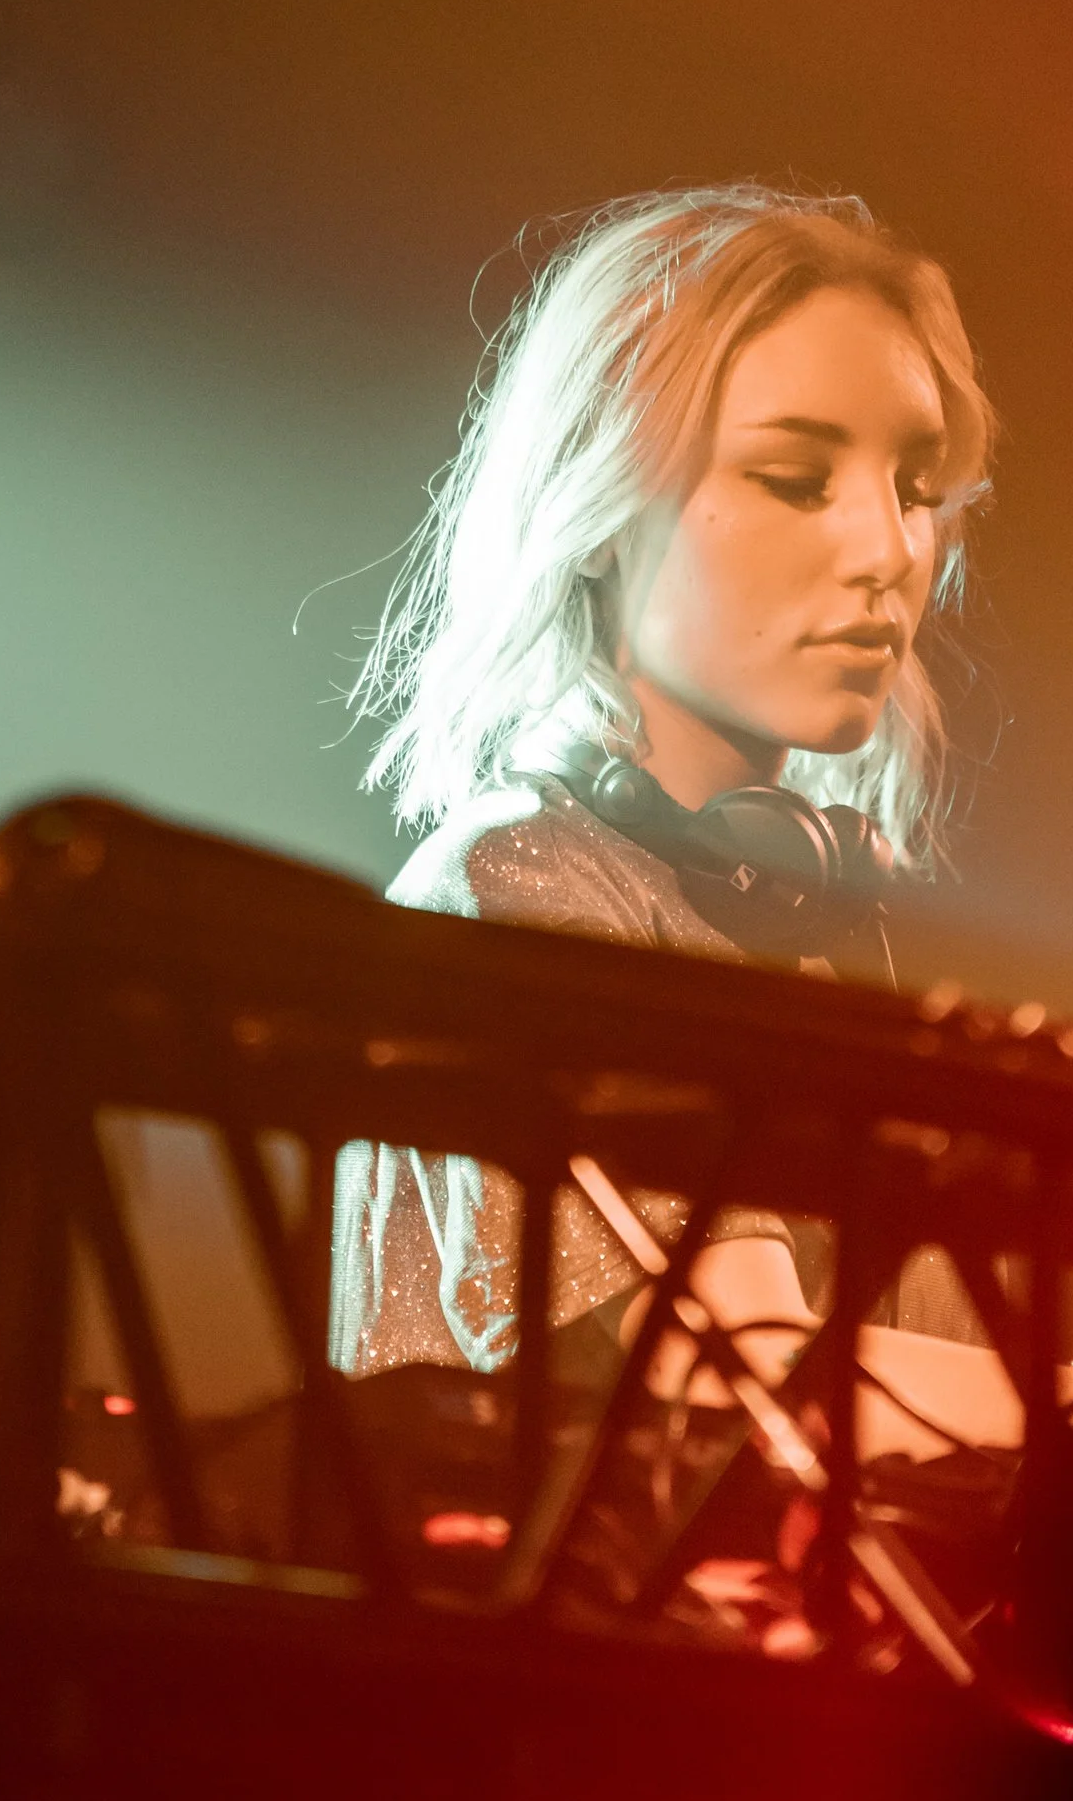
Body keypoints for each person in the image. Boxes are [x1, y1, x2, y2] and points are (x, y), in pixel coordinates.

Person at [329, 184, 994, 1383]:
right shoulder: (518, 886)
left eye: (914, 490)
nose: (890, 552)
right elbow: (749, 1382)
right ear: (599, 509)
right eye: (797, 480)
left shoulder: (804, 943)